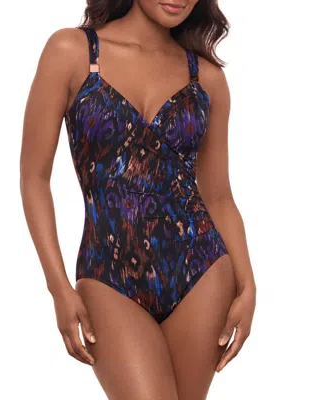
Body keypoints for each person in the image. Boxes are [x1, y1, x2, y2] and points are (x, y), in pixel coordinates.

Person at [20, 1, 256, 398]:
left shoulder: (207, 79)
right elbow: (34, 179)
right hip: (108, 276)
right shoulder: (72, 52)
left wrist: (247, 285)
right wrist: (58, 287)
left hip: (200, 270)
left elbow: (218, 196)